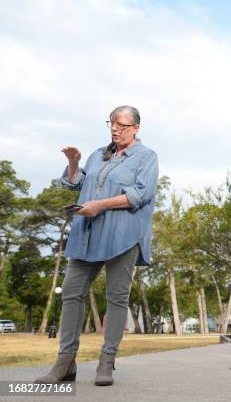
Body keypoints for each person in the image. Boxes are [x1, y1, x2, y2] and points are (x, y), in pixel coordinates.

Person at [35, 105, 158, 386]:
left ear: (136, 128)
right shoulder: (97, 155)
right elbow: (72, 184)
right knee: (71, 293)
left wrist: (100, 205)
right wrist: (74, 163)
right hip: (86, 234)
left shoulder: (147, 157)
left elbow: (141, 194)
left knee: (116, 298)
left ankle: (106, 361)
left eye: (122, 125)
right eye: (112, 124)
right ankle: (65, 364)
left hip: (122, 236)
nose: (116, 129)